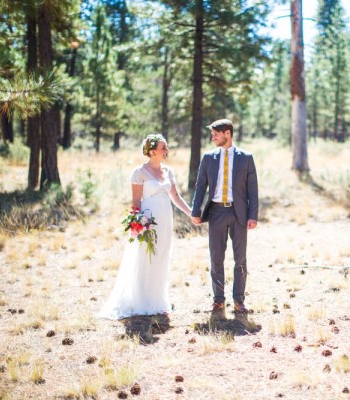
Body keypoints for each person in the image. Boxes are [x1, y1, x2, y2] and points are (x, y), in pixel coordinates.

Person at [98, 134, 192, 320]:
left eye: (166, 147)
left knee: (162, 256)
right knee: (146, 257)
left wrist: (192, 214)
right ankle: (141, 301)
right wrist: (137, 224)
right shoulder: (139, 172)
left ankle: (157, 301)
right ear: (152, 151)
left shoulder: (168, 171)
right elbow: (136, 201)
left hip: (165, 219)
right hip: (148, 220)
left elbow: (176, 197)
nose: (167, 150)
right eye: (163, 147)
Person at [191, 119, 258, 313]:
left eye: (216, 134)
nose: (213, 138)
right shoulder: (208, 158)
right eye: (212, 134)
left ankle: (239, 300)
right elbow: (200, 186)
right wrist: (196, 212)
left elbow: (252, 190)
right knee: (216, 257)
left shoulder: (246, 157)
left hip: (239, 214)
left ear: (227, 133)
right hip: (217, 212)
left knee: (240, 259)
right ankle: (218, 299)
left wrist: (253, 215)